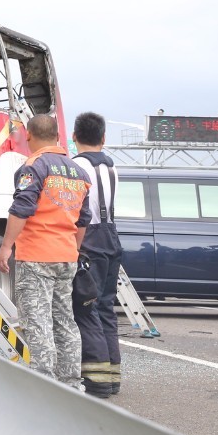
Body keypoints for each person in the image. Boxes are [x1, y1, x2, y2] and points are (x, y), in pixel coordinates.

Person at [0, 114, 91, 390]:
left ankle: (43, 385)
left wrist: (5, 247)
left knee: (37, 322)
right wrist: (73, 248)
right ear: (58, 136)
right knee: (65, 321)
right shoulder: (78, 172)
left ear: (29, 137)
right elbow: (82, 220)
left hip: (36, 255)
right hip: (66, 256)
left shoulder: (33, 166)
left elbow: (22, 208)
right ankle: (72, 384)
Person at [71, 111, 123, 397]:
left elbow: (76, 211)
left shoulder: (75, 166)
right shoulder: (113, 168)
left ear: (74, 136)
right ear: (103, 138)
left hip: (88, 238)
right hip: (112, 236)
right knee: (105, 306)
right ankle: (113, 377)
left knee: (85, 307)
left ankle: (97, 381)